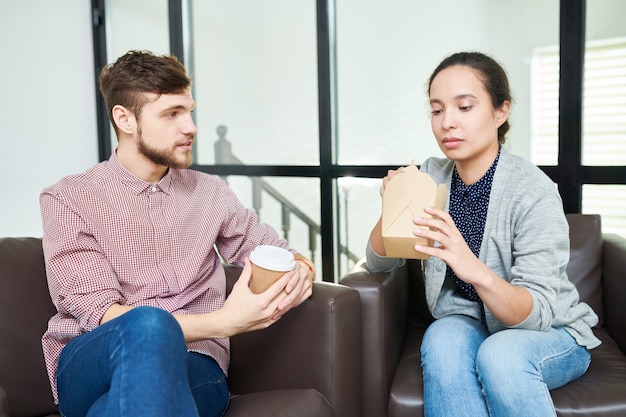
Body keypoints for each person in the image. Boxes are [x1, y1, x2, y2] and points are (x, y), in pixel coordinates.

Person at [39, 50, 315, 417]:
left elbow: (278, 251)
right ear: (125, 119)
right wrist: (224, 322)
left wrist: (300, 271)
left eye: (189, 111)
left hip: (195, 362)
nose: (190, 127)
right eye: (171, 114)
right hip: (93, 356)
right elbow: (104, 316)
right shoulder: (68, 199)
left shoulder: (211, 193)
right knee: (148, 325)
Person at [366, 51, 600, 417]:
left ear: (500, 111)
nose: (448, 123)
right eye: (438, 110)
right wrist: (391, 208)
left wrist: (471, 267)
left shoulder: (533, 191)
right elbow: (378, 262)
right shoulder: (431, 175)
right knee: (442, 339)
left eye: (465, 107)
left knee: (500, 354)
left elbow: (536, 314)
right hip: (467, 321)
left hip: (551, 332)